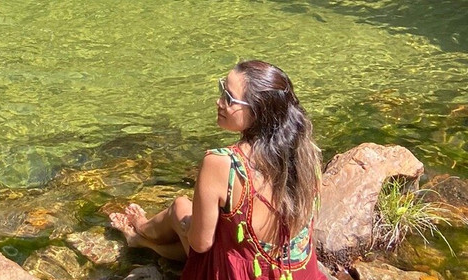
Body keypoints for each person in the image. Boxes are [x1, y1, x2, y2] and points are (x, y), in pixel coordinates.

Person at [109, 60, 326, 280]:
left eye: (229, 98)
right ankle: (141, 237)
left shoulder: (222, 163)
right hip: (295, 272)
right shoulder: (306, 154)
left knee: (180, 207)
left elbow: (200, 245)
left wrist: (188, 224)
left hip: (241, 275)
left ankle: (142, 233)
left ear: (258, 111)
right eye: (222, 89)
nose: (219, 101)